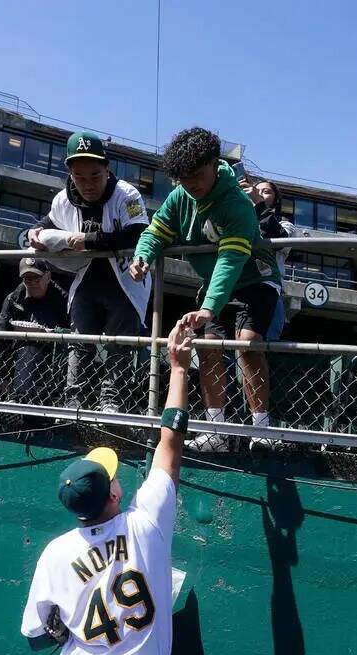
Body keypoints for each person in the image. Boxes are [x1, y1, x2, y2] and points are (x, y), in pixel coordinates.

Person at [21, 321, 193, 655]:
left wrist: (61, 630)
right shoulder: (146, 524)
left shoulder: (56, 554)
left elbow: (36, 638)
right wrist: (178, 368)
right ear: (114, 493)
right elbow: (170, 444)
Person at [130, 127, 283, 452]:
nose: (192, 185)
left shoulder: (237, 203)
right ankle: (216, 430)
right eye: (183, 179)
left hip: (254, 280)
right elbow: (156, 231)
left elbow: (231, 259)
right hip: (213, 288)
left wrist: (209, 307)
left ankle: (262, 429)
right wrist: (142, 256)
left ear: (215, 164)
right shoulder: (180, 197)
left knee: (247, 344)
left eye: (197, 175)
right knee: (207, 345)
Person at [24, 131, 151, 412]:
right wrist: (34, 232)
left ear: (107, 168)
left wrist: (89, 240)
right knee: (79, 341)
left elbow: (139, 233)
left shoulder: (126, 193)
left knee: (120, 344)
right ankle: (73, 402)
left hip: (125, 279)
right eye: (79, 177)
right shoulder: (62, 199)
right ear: (70, 173)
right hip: (87, 278)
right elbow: (45, 224)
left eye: (95, 175)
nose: (88, 184)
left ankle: (111, 402)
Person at [0, 259, 70, 405]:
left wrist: (54, 333)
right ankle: (18, 401)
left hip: (56, 354)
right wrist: (2, 377)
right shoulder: (13, 299)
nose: (32, 282)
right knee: (29, 350)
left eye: (36, 277)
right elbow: (0, 339)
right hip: (21, 355)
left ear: (48, 276)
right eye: (27, 278)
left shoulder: (64, 299)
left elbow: (74, 332)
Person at [242, 178, 296, 340]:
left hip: (267, 290)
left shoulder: (285, 225)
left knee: (260, 346)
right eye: (256, 191)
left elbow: (279, 240)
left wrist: (258, 205)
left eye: (266, 192)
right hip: (238, 286)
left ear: (276, 200)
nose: (259, 194)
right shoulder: (241, 220)